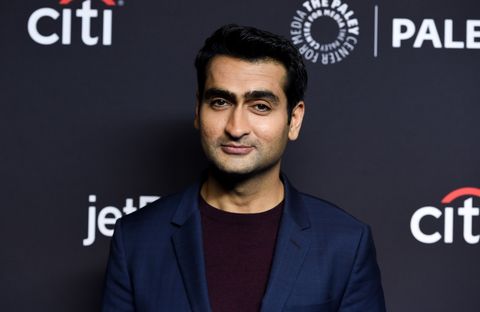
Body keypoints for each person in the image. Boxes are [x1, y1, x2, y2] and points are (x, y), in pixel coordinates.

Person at [101, 24, 386, 312]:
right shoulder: (137, 239)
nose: (236, 128)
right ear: (198, 110)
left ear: (294, 119)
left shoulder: (345, 243)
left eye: (260, 106)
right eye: (220, 102)